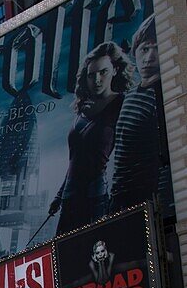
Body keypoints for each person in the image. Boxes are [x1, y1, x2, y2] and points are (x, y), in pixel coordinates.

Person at [48, 42, 132, 233]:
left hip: (95, 199)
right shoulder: (82, 109)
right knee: (65, 257)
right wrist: (60, 196)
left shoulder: (122, 103)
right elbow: (75, 160)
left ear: (115, 70)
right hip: (69, 199)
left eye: (103, 72)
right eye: (91, 75)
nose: (97, 80)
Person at [109, 15, 168, 212]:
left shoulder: (162, 94)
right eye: (144, 48)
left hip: (149, 206)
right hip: (120, 202)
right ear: (135, 52)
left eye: (156, 48)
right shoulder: (130, 95)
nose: (149, 57)